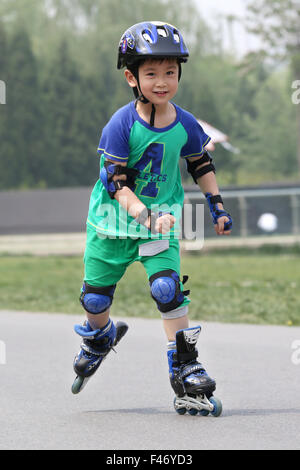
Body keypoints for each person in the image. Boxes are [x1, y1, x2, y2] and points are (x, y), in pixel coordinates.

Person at [71, 21, 232, 415]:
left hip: (159, 226)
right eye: (151, 73)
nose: (162, 82)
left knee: (166, 289)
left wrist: (217, 205)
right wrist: (145, 216)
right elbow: (116, 184)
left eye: (171, 72)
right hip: (112, 225)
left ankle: (186, 369)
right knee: (94, 298)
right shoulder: (120, 125)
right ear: (132, 77)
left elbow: (200, 162)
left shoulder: (185, 123)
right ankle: (99, 336)